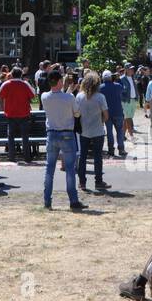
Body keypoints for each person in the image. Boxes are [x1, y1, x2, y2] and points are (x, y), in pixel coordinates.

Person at [40, 69, 86, 210]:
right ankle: (73, 200)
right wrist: (69, 92)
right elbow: (77, 113)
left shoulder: (44, 96)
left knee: (49, 168)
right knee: (70, 169)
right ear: (60, 81)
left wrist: (67, 92)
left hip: (51, 133)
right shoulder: (69, 97)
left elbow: (57, 98)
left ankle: (47, 201)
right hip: (66, 134)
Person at [75, 71, 111, 193]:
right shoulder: (100, 97)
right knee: (97, 157)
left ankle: (82, 182)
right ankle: (98, 181)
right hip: (97, 129)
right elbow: (106, 116)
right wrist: (100, 120)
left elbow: (76, 113)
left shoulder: (79, 96)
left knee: (83, 156)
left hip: (84, 130)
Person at [0, 67, 37, 163]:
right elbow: (33, 96)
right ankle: (27, 157)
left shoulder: (6, 84)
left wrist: (3, 108)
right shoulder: (25, 84)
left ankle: (12, 157)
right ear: (21, 75)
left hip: (10, 114)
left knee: (10, 136)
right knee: (25, 136)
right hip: (24, 114)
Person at [100, 70, 126, 158]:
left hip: (107, 113)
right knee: (120, 131)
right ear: (111, 77)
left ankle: (111, 149)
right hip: (118, 112)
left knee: (109, 132)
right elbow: (123, 89)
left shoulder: (100, 88)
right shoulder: (118, 86)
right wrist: (118, 79)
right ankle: (121, 149)